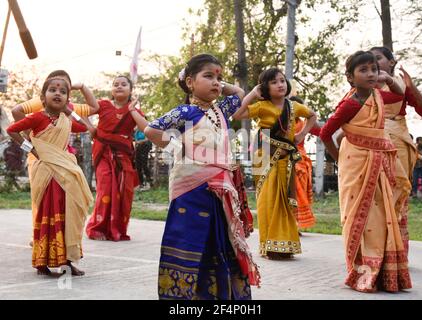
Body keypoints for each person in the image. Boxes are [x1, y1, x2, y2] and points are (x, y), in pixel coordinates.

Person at [139, 53, 258, 299]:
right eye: (209, 76)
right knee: (189, 243)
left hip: (220, 191)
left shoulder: (221, 111)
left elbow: (238, 93)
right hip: (191, 191)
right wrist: (177, 149)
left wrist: (218, 83)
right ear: (191, 82)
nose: (216, 82)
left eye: (219, 77)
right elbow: (151, 130)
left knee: (221, 243)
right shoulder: (185, 112)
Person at [320, 50, 412, 292]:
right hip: (356, 163)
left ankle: (383, 272)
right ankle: (361, 272)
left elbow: (400, 95)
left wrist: (389, 79)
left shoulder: (377, 94)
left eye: (373, 69)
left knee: (381, 217)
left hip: (380, 162)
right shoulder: (351, 103)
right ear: (350, 77)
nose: (371, 74)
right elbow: (325, 133)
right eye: (364, 70)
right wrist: (338, 157)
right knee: (359, 218)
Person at [6, 77, 96, 276]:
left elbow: (87, 127)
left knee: (70, 215)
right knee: (51, 213)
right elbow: (11, 130)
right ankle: (42, 264)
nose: (58, 93)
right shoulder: (37, 117)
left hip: (66, 173)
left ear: (67, 99)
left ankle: (67, 261)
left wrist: (70, 111)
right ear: (43, 98)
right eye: (53, 90)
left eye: (63, 92)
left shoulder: (67, 120)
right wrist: (32, 150)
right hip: (47, 173)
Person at [233, 68, 317, 260]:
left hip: (285, 158)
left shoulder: (294, 107)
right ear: (265, 87)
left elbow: (312, 116)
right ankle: (269, 245)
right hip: (264, 158)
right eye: (273, 82)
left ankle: (285, 245)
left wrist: (301, 134)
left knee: (284, 202)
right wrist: (252, 94)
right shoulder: (262, 106)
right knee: (267, 201)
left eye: (282, 80)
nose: (280, 84)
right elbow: (237, 114)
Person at [370, 46, 422, 252]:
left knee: (397, 191)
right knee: (376, 194)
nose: (374, 63)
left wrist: (411, 88)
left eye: (378, 58)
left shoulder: (401, 86)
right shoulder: (365, 86)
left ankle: (396, 250)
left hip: (398, 141)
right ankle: (376, 249)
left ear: (392, 62)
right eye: (370, 60)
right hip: (372, 140)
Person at [85, 76, 144, 241]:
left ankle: (116, 229)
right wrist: (90, 127)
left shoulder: (133, 110)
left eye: (124, 84)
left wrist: (132, 110)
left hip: (123, 155)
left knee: (123, 190)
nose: (119, 86)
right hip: (103, 151)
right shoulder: (103, 105)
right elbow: (81, 112)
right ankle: (97, 228)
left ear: (130, 90)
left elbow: (144, 127)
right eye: (115, 84)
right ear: (111, 90)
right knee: (105, 187)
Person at [290, 96, 321, 231]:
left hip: (301, 161)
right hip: (288, 159)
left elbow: (321, 131)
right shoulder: (283, 120)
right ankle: (291, 224)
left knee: (299, 192)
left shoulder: (304, 123)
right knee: (290, 192)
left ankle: (297, 224)